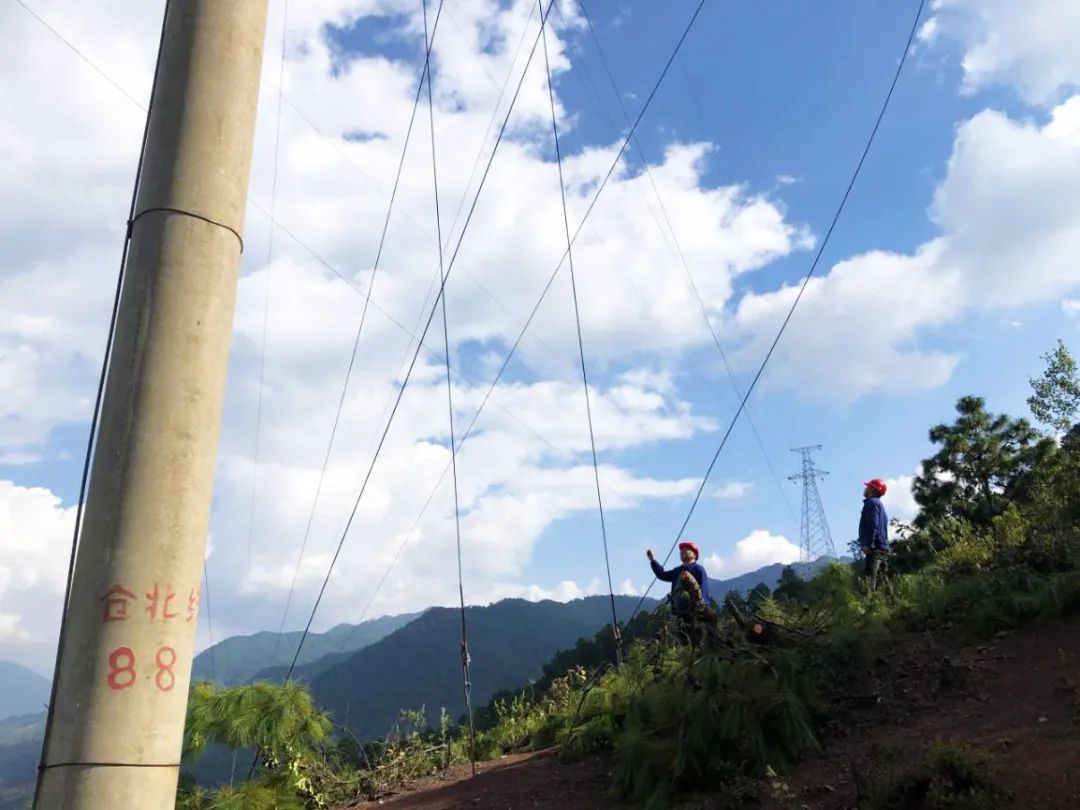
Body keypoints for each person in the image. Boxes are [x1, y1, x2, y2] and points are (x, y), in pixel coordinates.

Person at [646, 541, 710, 617]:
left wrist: (703, 611)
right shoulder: (677, 571)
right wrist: (652, 560)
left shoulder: (699, 569)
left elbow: (703, 591)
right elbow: (661, 574)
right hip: (680, 614)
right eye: (681, 550)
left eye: (686, 549)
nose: (682, 552)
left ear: (694, 554)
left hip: (696, 613)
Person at [859, 478, 890, 591]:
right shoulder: (881, 506)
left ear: (872, 489)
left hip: (874, 549)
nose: (865, 488)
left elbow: (873, 525)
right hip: (883, 548)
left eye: (868, 486)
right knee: (883, 583)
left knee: (869, 581)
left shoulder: (871, 503)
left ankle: (869, 606)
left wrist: (868, 544)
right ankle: (890, 605)